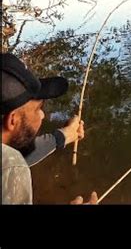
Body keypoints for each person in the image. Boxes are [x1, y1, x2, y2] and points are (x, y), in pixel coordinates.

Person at [1, 53, 97, 204]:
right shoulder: (11, 168)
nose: (42, 115)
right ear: (13, 120)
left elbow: (11, 156)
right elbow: (10, 162)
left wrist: (63, 136)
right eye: (38, 108)